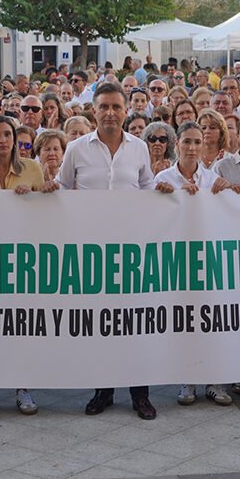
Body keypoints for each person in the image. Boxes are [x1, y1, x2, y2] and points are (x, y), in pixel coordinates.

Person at [56, 82, 157, 419]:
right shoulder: (76, 148)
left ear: (126, 110)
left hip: (131, 250)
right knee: (100, 322)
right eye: (104, 107)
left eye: (116, 106)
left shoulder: (139, 148)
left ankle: (140, 394)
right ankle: (103, 391)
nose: (110, 113)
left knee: (134, 322)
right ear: (94, 110)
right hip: (91, 251)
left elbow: (147, 188)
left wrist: (165, 192)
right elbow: (61, 186)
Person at [0, 116, 57, 416]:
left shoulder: (31, 168)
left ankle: (22, 386)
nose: (3, 140)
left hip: (25, 260)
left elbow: (47, 207)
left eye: (8, 135)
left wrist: (38, 194)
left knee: (21, 323)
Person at [153, 121, 236, 407]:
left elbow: (232, 212)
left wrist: (228, 191)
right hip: (177, 262)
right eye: (186, 142)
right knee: (184, 321)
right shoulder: (162, 178)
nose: (191, 148)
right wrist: (160, 195)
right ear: (176, 146)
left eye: (197, 142)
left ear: (204, 146)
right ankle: (187, 380)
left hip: (209, 260)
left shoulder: (213, 178)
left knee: (212, 320)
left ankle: (214, 381)